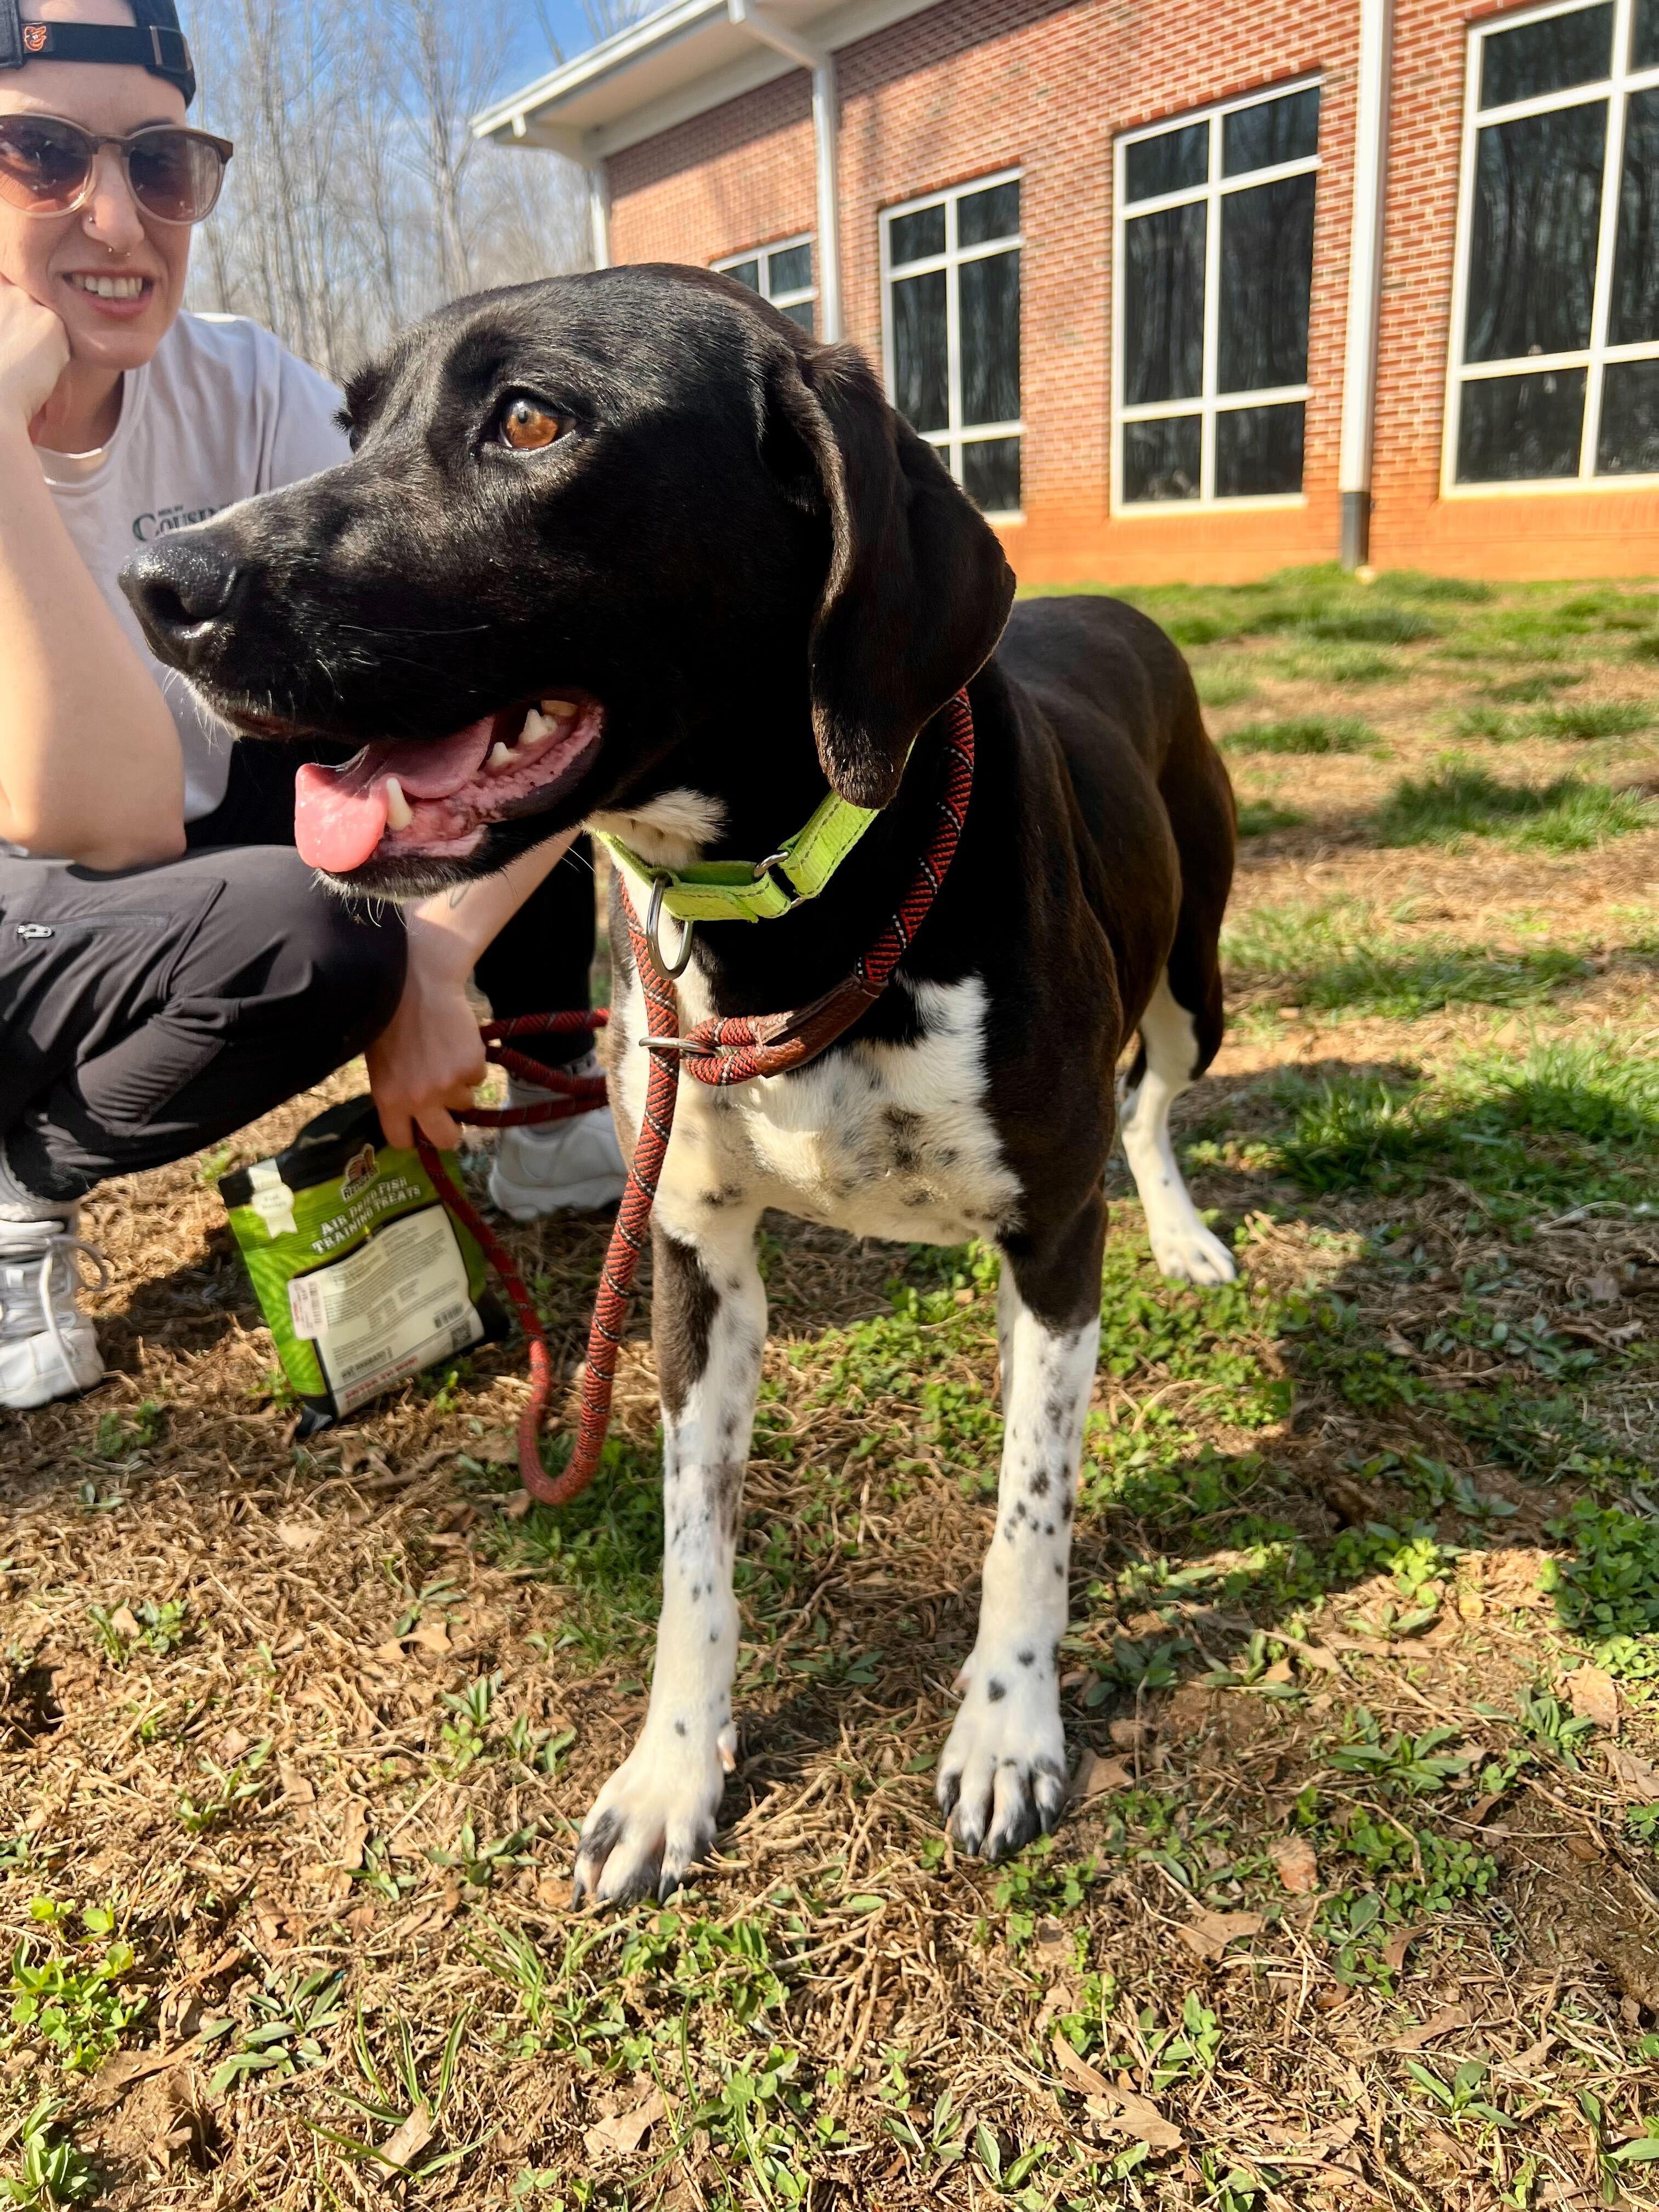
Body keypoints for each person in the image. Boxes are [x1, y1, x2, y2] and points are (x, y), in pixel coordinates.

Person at [0, 0, 622, 1414]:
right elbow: (106, 815)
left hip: (166, 855)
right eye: (41, 156)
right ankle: (21, 1178)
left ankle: (541, 1094)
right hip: (25, 909)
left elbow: (493, 636)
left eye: (161, 164)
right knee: (319, 929)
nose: (118, 219)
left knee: (484, 720)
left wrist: (439, 961)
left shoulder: (236, 379)